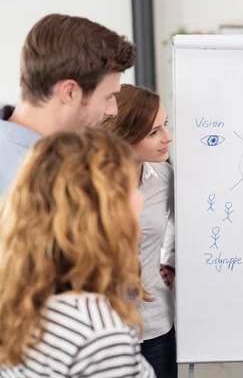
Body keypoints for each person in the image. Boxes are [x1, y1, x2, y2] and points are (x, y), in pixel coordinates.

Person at [0, 128, 155, 377]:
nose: (141, 199)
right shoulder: (99, 334)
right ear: (103, 211)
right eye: (129, 189)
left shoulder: (21, 300)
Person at [0, 13, 136, 195]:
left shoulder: (62, 162)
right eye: (107, 97)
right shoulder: (32, 181)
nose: (113, 111)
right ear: (70, 92)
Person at [102, 84, 176, 378]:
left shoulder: (164, 177)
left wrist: (168, 257)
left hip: (156, 327)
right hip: (104, 332)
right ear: (125, 138)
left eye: (165, 125)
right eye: (153, 132)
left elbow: (176, 222)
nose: (167, 137)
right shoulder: (85, 188)